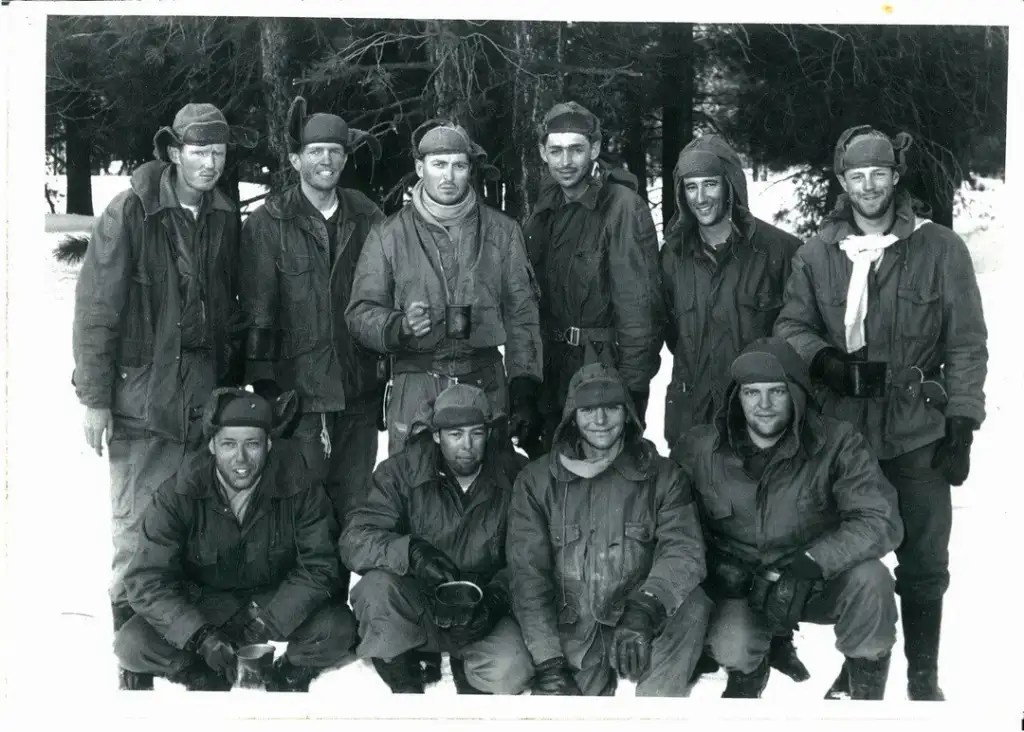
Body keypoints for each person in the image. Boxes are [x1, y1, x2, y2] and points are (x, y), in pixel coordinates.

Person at [774, 126, 988, 700]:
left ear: (895, 178)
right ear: (843, 183)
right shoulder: (817, 253)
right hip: (843, 433)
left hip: (918, 430)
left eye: (878, 175)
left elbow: (966, 343)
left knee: (923, 560)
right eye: (856, 177)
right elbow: (791, 326)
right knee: (852, 553)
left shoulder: (940, 248)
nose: (868, 187)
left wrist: (962, 423)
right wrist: (826, 364)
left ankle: (924, 677)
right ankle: (859, 669)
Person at [71, 102, 247, 688]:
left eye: (218, 152)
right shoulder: (131, 212)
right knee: (137, 522)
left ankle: (175, 637)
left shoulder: (225, 215)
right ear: (173, 152)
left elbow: (230, 308)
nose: (210, 163)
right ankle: (131, 652)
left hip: (204, 398)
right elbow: (97, 310)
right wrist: (95, 398)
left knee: (189, 520)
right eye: (199, 151)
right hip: (142, 398)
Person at [672, 337, 904, 699]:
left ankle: (862, 689)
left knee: (872, 582)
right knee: (732, 642)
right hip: (745, 588)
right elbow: (674, 524)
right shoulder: (701, 450)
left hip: (817, 582)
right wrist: (719, 570)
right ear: (737, 397)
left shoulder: (839, 442)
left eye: (776, 392)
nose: (763, 405)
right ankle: (749, 676)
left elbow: (879, 518)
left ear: (796, 395)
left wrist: (814, 562)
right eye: (752, 393)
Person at [659, 133, 808, 683]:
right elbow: (668, 329)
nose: (702, 197)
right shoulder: (671, 255)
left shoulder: (779, 251)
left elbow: (796, 335)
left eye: (711, 184)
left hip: (759, 413)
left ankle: (773, 637)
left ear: (732, 186)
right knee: (695, 520)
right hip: (694, 410)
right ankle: (703, 633)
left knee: (765, 520)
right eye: (691, 187)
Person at [114, 388, 357, 691]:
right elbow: (147, 580)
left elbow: (320, 567)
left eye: (252, 444)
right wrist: (200, 636)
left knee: (337, 629)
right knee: (132, 644)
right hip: (205, 607)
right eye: (229, 444)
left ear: (268, 444)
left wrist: (271, 621)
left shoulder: (301, 487)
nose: (240, 458)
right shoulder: (177, 493)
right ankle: (200, 673)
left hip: (273, 601)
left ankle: (285, 675)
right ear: (213, 445)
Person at [238, 97, 386, 591]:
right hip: (299, 392)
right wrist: (265, 385)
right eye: (316, 151)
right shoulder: (268, 222)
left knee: (356, 499)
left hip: (358, 386)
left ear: (346, 159)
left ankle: (345, 601)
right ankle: (308, 598)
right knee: (302, 501)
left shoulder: (368, 217)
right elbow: (257, 309)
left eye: (335, 152)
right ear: (297, 159)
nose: (326, 160)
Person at [507, 362, 711, 696]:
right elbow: (527, 575)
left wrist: (646, 608)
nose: (600, 421)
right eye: (588, 410)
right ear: (572, 415)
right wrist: (549, 662)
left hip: (642, 615)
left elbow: (684, 552)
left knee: (694, 604)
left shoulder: (664, 476)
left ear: (628, 412)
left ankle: (655, 715)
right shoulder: (536, 481)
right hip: (574, 626)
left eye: (611, 408)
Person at [345, 120, 542, 456]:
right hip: (416, 385)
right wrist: (399, 326)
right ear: (420, 168)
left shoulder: (503, 232)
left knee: (486, 494)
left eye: (459, 166)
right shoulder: (387, 234)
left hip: (483, 382)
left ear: (470, 170)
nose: (449, 177)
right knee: (415, 489)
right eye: (438, 165)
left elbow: (523, 317)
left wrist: (523, 389)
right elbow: (360, 314)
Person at [340, 384, 535, 694]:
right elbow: (355, 539)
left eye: (476, 434)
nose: (467, 446)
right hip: (422, 602)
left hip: (484, 608)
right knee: (374, 590)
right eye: (455, 435)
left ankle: (467, 668)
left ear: (489, 433)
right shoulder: (401, 472)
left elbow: (531, 556)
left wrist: (497, 599)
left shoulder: (517, 476)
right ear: (436, 435)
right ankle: (405, 680)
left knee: (510, 670)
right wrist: (412, 552)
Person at [522, 102, 663, 455]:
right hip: (553, 370)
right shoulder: (544, 209)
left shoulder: (622, 207)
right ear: (543, 153)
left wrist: (631, 390)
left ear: (595, 149)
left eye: (576, 149)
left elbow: (639, 310)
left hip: (603, 371)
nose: (565, 161)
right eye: (555, 150)